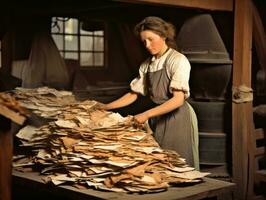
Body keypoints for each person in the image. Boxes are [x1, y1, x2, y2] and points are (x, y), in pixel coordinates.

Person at [101, 16, 199, 169]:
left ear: (163, 36)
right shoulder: (147, 65)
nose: (147, 45)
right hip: (157, 116)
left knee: (176, 163)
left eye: (151, 39)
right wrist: (105, 107)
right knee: (157, 162)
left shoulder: (177, 60)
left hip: (177, 117)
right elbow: (133, 94)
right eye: (143, 41)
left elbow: (178, 99)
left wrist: (146, 114)